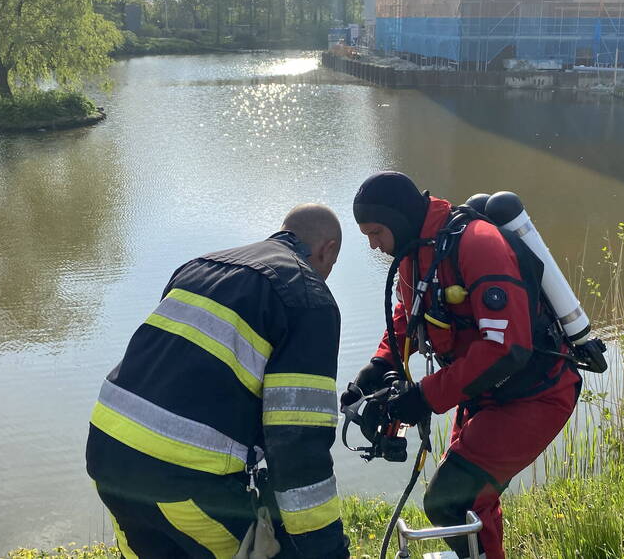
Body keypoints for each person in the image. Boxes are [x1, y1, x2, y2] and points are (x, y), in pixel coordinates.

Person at [87, 204, 350, 559]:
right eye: (330, 266)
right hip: (182, 476)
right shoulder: (307, 296)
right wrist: (326, 547)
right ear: (328, 249)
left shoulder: (202, 266)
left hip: (107, 453)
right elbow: (299, 444)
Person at [341, 172, 581, 559]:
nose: (373, 245)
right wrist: (380, 363)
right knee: (471, 504)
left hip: (535, 394)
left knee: (449, 501)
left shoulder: (477, 244)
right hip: (482, 392)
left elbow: (508, 348)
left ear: (398, 219)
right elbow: (409, 313)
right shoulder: (417, 252)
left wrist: (425, 396)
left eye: (375, 232)